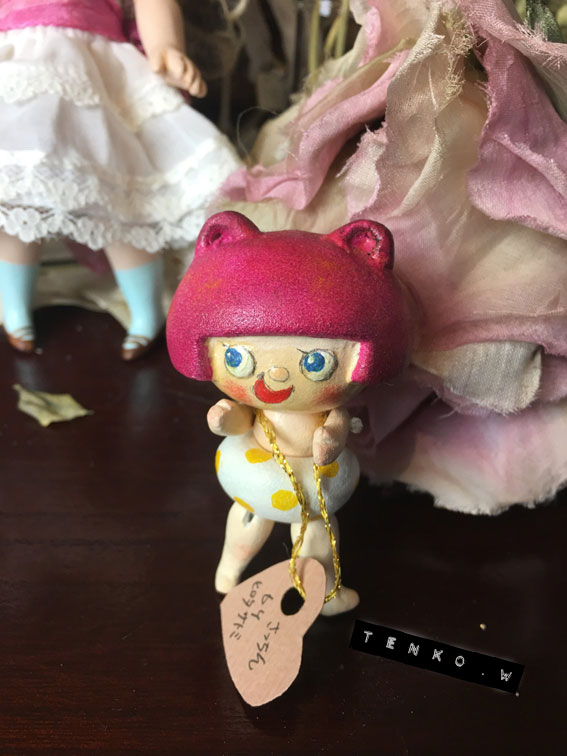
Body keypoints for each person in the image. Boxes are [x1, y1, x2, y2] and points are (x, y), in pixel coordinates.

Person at [0, 0, 240, 359]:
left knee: (124, 199)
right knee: (16, 201)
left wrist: (165, 47)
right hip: (16, 69)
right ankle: (14, 309)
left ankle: (146, 312)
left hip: (98, 68)